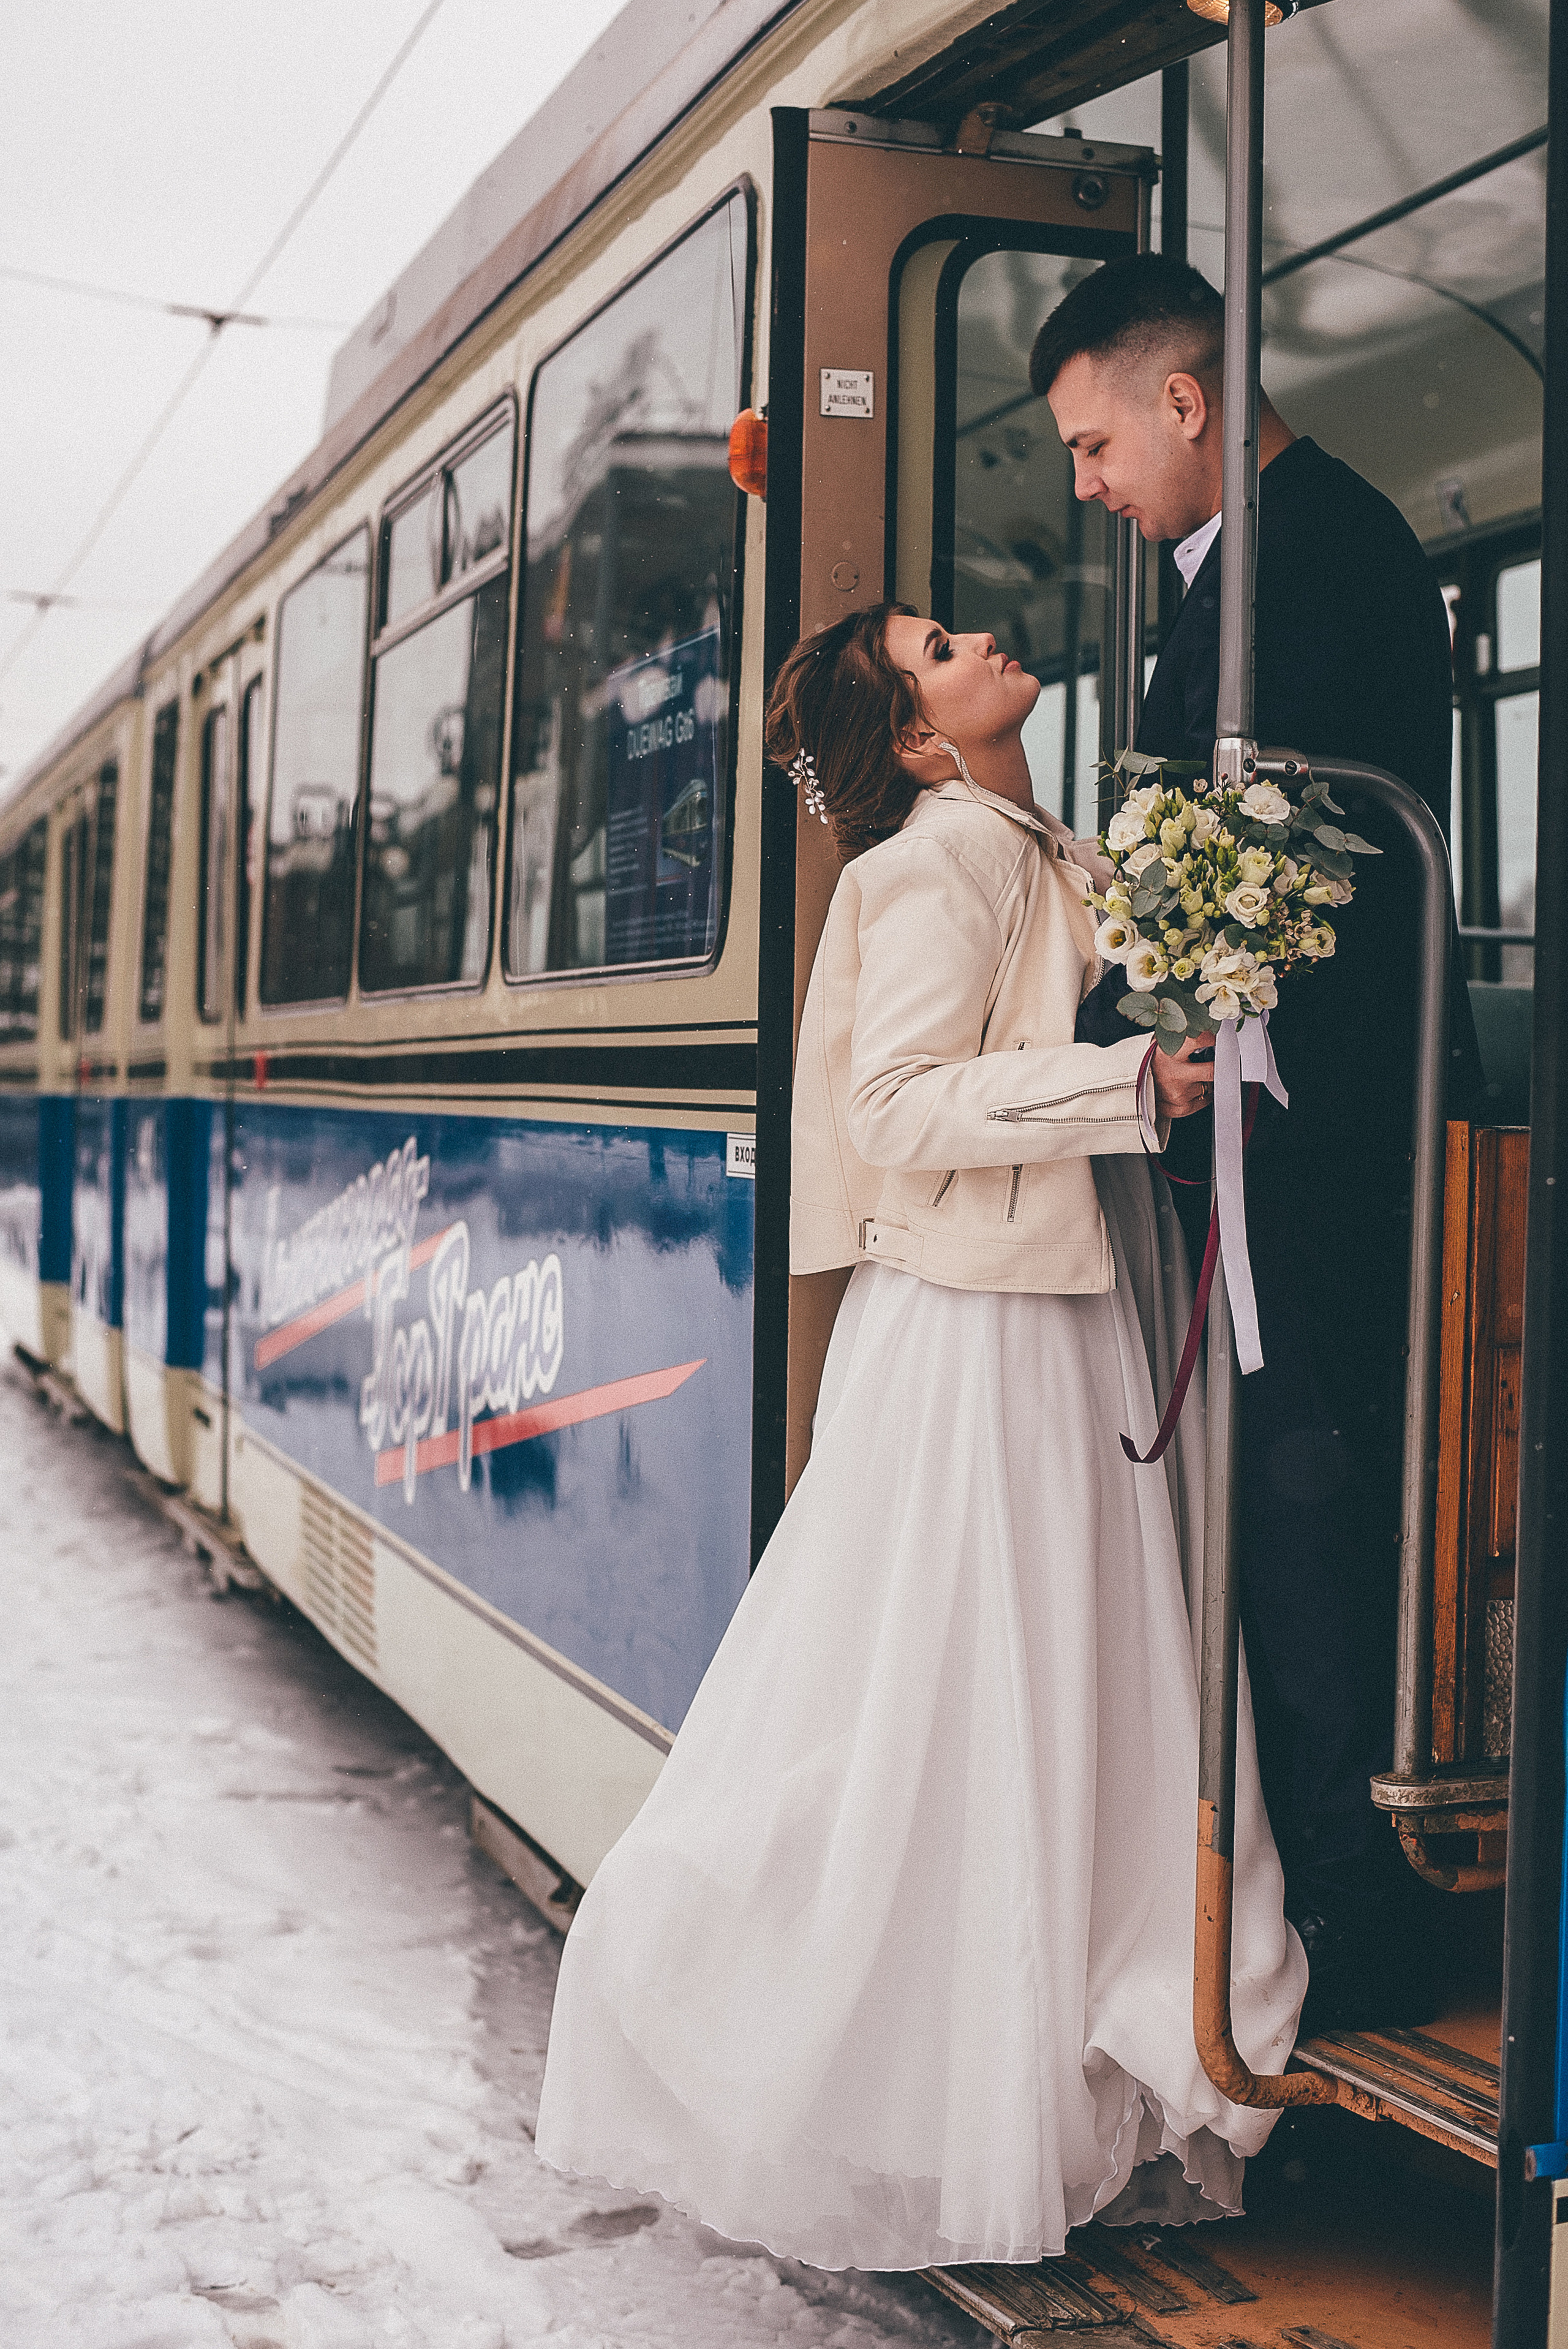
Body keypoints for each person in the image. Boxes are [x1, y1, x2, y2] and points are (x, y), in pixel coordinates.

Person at [534, 601, 1306, 2272]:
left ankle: (1040, 2043)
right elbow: (892, 1103)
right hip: (990, 1323)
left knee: (1019, 1666)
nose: (987, 638)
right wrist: (1123, 1088)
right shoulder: (935, 865)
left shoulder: (1027, 842)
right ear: (914, 736)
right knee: (1012, 1660)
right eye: (944, 646)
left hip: (1043, 1297)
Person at [1030, 255, 1483, 2027]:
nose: (1088, 485)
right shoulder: (1264, 552)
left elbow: (1270, 876)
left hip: (1313, 1141)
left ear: (1185, 401)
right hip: (1284, 1129)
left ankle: (1359, 1925)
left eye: (1094, 445)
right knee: (1290, 1516)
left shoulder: (1310, 561)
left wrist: (1094, 1045)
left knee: (1304, 1523)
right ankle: (1327, 1892)